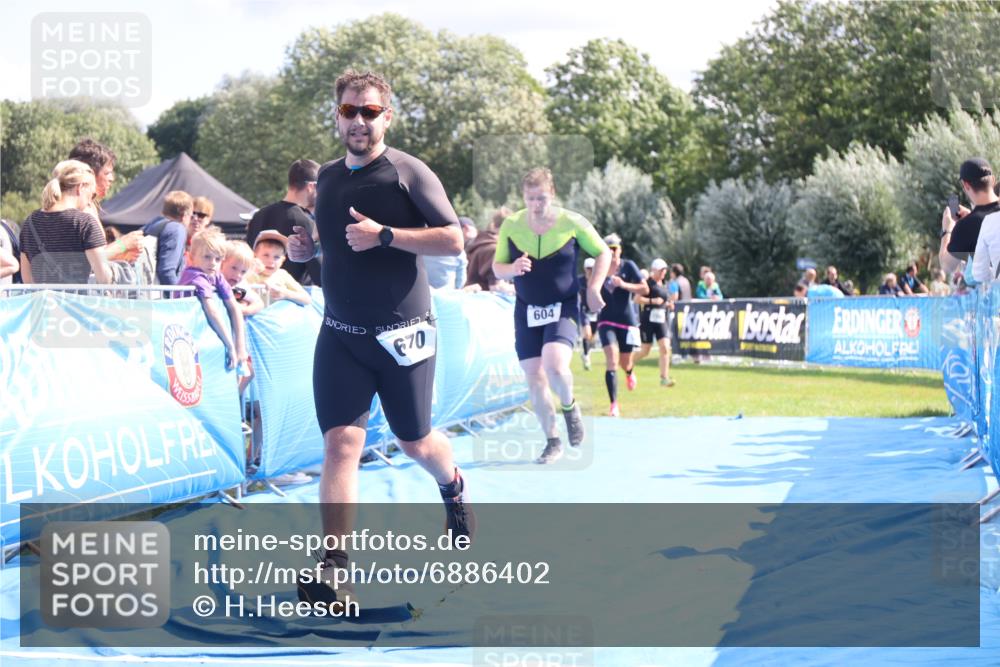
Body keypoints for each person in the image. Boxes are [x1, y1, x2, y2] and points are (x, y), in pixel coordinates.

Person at [286, 69, 475, 608]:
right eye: (350, 111)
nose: (360, 121)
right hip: (341, 334)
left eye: (370, 112)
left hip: (403, 334)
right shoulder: (326, 178)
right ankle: (335, 568)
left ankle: (453, 485)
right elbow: (333, 247)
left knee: (414, 439)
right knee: (341, 445)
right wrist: (307, 255)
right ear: (338, 115)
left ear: (386, 116)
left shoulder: (408, 173)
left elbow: (453, 240)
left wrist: (386, 235)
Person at [492, 167, 610, 462]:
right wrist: (513, 269)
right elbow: (497, 268)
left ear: (552, 195)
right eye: (530, 198)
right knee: (534, 376)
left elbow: (603, 252)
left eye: (541, 198)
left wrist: (594, 287)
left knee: (555, 365)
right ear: (523, 197)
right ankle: (552, 440)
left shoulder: (572, 222)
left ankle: (569, 408)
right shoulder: (512, 225)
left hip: (563, 306)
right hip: (526, 309)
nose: (536, 204)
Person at [19, 160, 111, 285]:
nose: (90, 201)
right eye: (92, 195)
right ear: (80, 187)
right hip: (75, 303)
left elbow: (27, 279)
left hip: (41, 303)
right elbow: (104, 278)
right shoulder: (85, 223)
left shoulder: (29, 223)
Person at [179, 227, 248, 373]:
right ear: (191, 258)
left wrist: (240, 346)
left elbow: (234, 307)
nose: (212, 263)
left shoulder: (215, 275)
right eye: (207, 257)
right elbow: (213, 311)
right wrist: (230, 346)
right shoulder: (196, 276)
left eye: (217, 259)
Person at [595, 233, 647, 417]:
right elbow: (591, 287)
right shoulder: (599, 266)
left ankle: (629, 372)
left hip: (626, 320)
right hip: (606, 319)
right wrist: (606, 275)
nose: (612, 252)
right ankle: (614, 404)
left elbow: (645, 288)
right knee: (612, 359)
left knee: (625, 362)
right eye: (608, 249)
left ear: (620, 249)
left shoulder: (629, 266)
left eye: (615, 248)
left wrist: (624, 284)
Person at [246, 159, 321, 286]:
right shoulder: (305, 221)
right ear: (311, 186)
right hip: (293, 296)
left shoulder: (258, 215)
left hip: (256, 292)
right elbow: (319, 275)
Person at [68, 138, 144, 263]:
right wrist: (123, 244)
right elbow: (83, 262)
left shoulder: (89, 205)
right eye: (107, 173)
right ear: (90, 173)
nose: (112, 178)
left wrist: (121, 255)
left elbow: (94, 255)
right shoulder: (76, 209)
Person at [942, 158, 1000, 278]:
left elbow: (947, 266)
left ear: (966, 185)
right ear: (993, 180)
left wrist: (947, 230)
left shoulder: (966, 227)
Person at [633, 257, 675, 387]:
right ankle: (627, 362)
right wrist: (652, 301)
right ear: (654, 270)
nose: (664, 273)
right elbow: (636, 299)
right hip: (648, 320)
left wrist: (668, 304)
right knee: (646, 350)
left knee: (665, 348)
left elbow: (663, 300)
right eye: (661, 270)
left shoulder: (665, 284)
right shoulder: (647, 283)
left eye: (665, 270)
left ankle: (664, 378)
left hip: (661, 319)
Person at [143, 191, 194, 286]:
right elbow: (167, 271)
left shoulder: (153, 224)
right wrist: (179, 296)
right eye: (191, 216)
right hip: (159, 296)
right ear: (184, 215)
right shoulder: (177, 229)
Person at [248, 231, 312, 306]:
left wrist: (285, 293)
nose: (271, 261)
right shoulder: (247, 272)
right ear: (255, 255)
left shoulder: (282, 275)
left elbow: (307, 299)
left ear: (283, 260)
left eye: (277, 257)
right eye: (266, 255)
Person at [465, 207, 510, 291]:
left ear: (493, 225)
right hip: (483, 301)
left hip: (470, 299)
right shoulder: (494, 249)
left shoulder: (480, 242)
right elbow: (495, 287)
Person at [424, 216, 472, 289]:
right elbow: (460, 281)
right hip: (446, 295)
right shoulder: (459, 252)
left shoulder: (419, 246)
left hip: (422, 293)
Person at [221, 240, 266, 318]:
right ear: (222, 262)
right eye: (234, 268)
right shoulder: (212, 278)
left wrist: (245, 310)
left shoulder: (239, 286)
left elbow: (259, 303)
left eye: (243, 271)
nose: (238, 275)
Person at [578, 257, 598, 370]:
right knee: (587, 334)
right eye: (588, 269)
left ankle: (586, 353)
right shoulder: (579, 280)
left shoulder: (598, 280)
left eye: (592, 268)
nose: (590, 271)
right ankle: (586, 358)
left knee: (592, 337)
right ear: (585, 269)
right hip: (584, 310)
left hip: (596, 311)